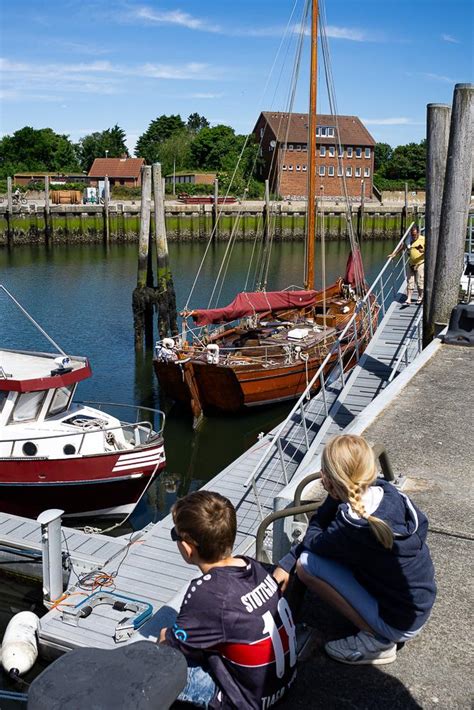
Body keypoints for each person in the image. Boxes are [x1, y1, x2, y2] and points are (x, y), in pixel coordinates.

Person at [273, 434, 436, 666]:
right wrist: (336, 493)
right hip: (418, 605)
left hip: (397, 624)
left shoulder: (351, 528)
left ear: (329, 481)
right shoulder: (389, 493)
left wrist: (289, 561)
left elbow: (313, 538)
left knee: (306, 565)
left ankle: (376, 641)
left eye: (324, 473)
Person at [160, 491, 297, 709]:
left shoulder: (207, 593)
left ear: (188, 548)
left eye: (175, 535)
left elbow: (172, 648)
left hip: (247, 701)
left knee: (154, 661)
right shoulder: (254, 567)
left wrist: (164, 635)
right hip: (281, 684)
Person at [388, 224, 425, 304]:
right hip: (411, 263)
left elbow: (430, 250)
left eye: (415, 234)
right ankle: (408, 298)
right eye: (412, 234)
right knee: (410, 281)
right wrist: (394, 254)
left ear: (418, 233)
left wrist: (423, 251)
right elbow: (403, 247)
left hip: (420, 263)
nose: (414, 236)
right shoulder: (409, 239)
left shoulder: (423, 239)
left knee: (420, 282)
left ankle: (420, 297)